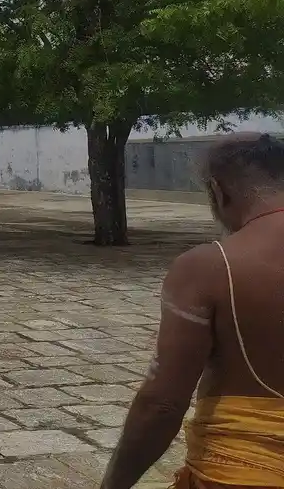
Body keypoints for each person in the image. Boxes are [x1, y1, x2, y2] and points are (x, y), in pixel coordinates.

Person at [102, 133, 284, 489]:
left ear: (218, 191)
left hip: (245, 475)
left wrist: (114, 484)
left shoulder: (210, 266)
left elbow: (162, 404)